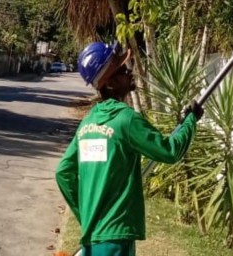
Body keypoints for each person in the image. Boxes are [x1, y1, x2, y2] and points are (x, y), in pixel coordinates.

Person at [55, 41, 200, 256]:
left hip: (94, 239)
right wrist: (191, 120)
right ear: (110, 82)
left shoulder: (87, 124)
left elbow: (63, 173)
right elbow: (170, 151)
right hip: (116, 238)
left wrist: (86, 214)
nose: (129, 71)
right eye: (122, 70)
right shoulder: (126, 120)